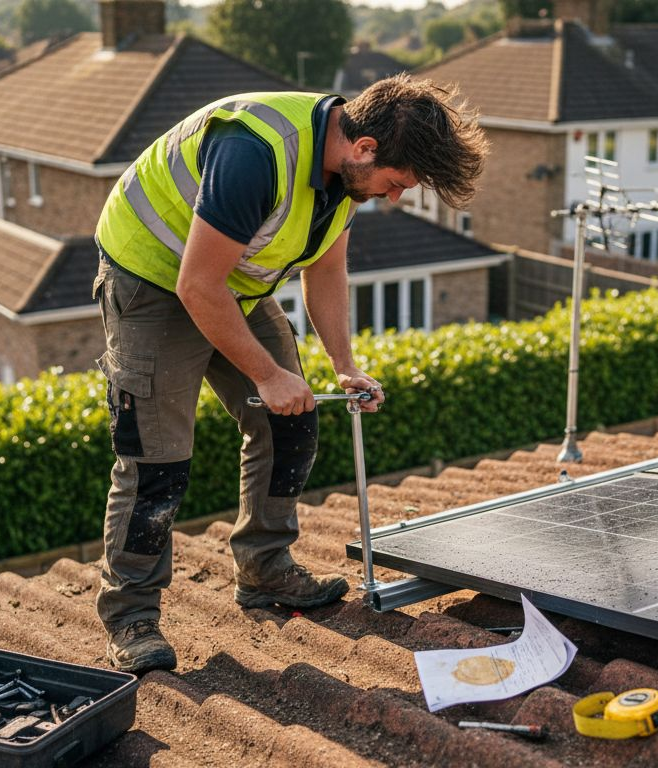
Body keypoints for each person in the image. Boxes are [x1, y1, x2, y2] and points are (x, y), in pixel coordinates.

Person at [91, 74, 487, 674]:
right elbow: (196, 286)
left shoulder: (344, 177)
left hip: (233, 284)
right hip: (152, 276)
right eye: (398, 184)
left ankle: (264, 567)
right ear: (366, 148)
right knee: (157, 461)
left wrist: (345, 365)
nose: (396, 197)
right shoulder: (256, 152)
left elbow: (325, 270)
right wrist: (268, 375)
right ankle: (131, 616)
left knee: (292, 422)